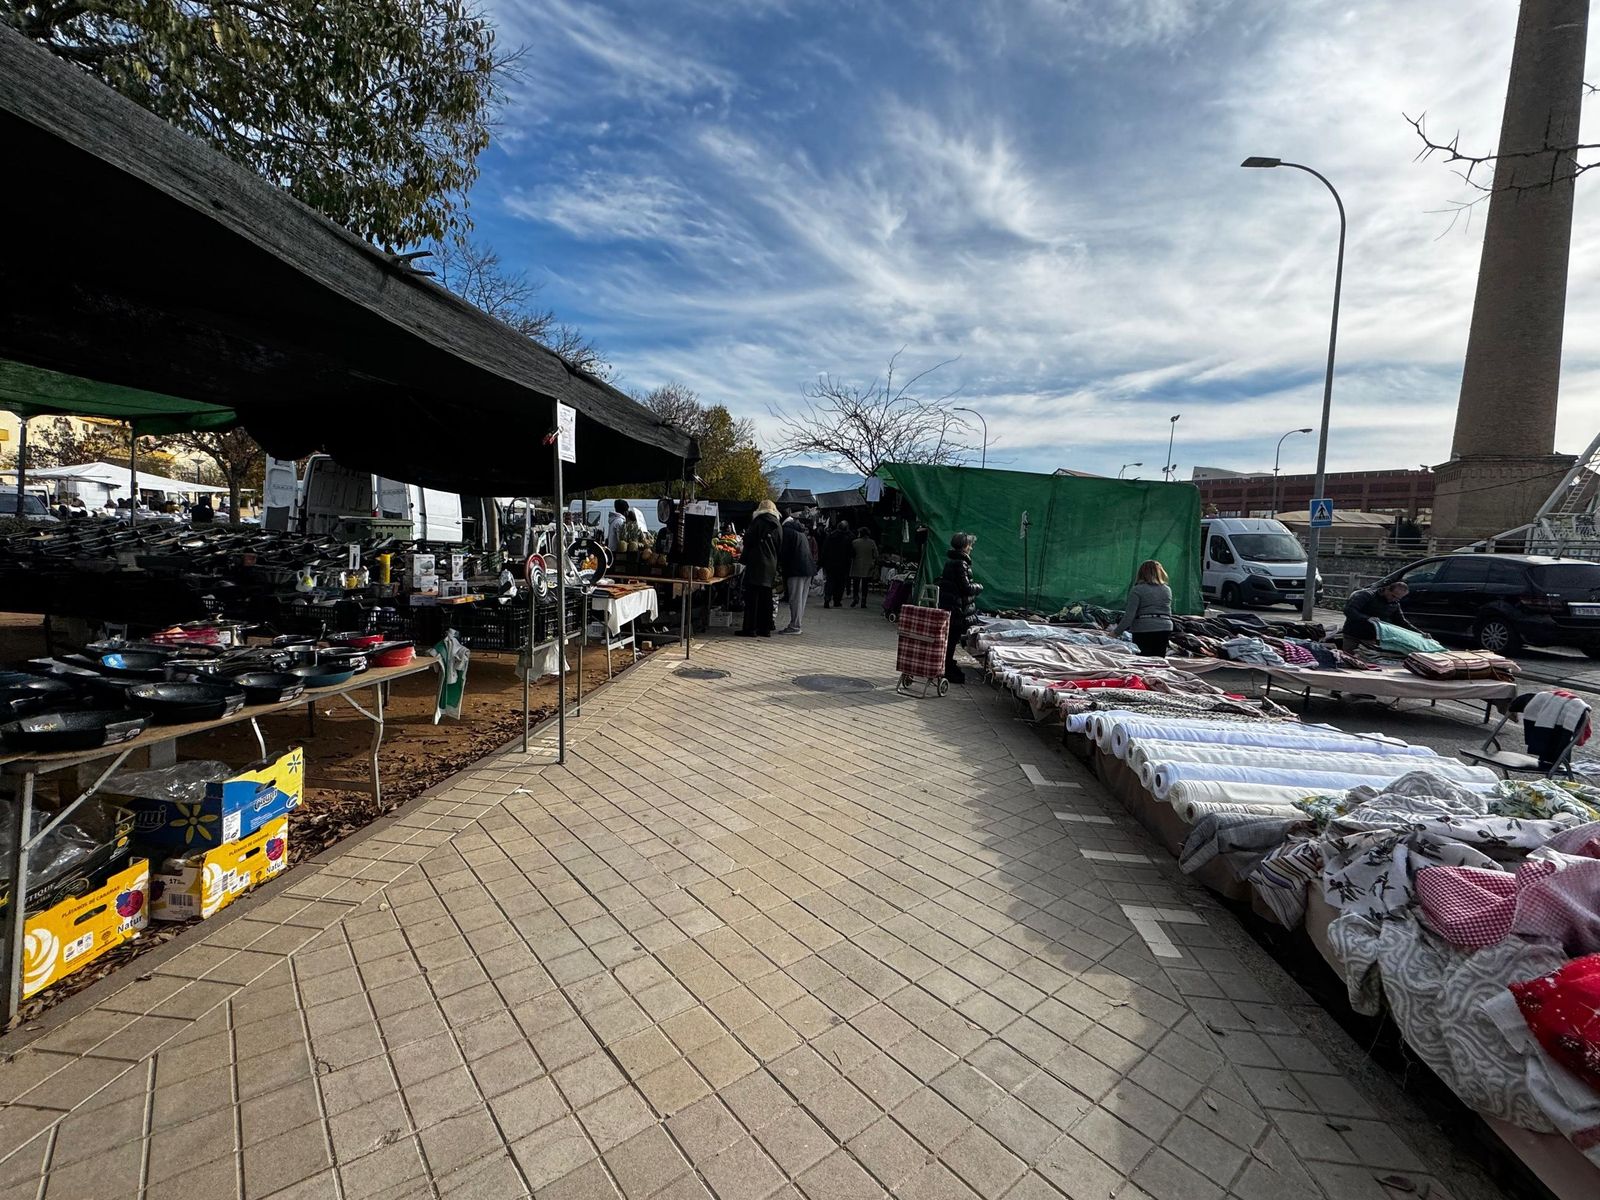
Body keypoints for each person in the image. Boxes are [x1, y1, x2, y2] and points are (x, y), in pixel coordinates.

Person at [937, 532, 983, 683]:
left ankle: (947, 664)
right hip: (956, 609)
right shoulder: (961, 564)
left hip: (951, 607)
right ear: (965, 546)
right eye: (970, 545)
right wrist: (978, 587)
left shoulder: (951, 561)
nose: (971, 548)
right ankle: (946, 668)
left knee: (950, 640)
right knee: (951, 640)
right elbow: (966, 587)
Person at [738, 500, 783, 638]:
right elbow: (780, 545)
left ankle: (750, 629)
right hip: (771, 564)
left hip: (757, 562)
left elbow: (748, 540)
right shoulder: (778, 524)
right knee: (766, 597)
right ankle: (765, 629)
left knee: (752, 597)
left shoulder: (758, 521)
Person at [1113, 560, 1175, 658]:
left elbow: (1129, 616)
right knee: (1159, 660)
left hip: (1143, 628)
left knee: (1143, 660)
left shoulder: (1137, 589)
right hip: (1165, 627)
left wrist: (1116, 632)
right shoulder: (1167, 589)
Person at [1342, 580, 1417, 653]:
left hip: (1372, 638)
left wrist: (1418, 633)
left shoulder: (1395, 604)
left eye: (1398, 598)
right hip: (1353, 635)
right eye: (1393, 596)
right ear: (1387, 589)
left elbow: (1401, 621)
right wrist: (1367, 618)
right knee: (1347, 657)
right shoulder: (1366, 595)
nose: (1393, 599)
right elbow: (1349, 610)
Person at [777, 515, 816, 634]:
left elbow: (783, 552)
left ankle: (795, 626)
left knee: (795, 599)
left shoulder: (787, 531)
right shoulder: (799, 531)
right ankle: (797, 624)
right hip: (807, 568)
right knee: (801, 599)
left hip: (796, 569)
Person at [821, 522, 854, 608]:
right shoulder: (848, 538)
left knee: (830, 581)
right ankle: (837, 600)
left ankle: (827, 598)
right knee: (840, 583)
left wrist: (823, 562)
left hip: (831, 563)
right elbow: (851, 552)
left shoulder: (831, 536)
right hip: (843, 564)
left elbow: (824, 549)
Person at [848, 527, 878, 608]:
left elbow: (851, 553)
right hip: (868, 566)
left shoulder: (855, 542)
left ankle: (855, 597)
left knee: (856, 583)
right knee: (865, 584)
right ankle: (864, 600)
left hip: (856, 564)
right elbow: (876, 554)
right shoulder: (872, 542)